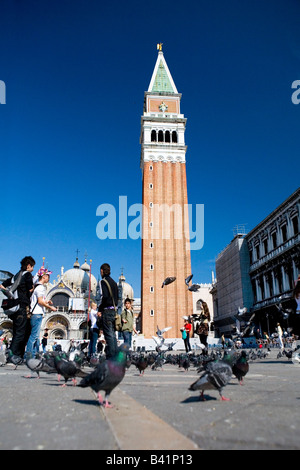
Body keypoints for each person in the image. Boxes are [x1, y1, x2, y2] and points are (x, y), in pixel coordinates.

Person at [0, 256, 36, 362]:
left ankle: (16, 356)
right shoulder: (27, 275)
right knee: (21, 332)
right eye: (32, 266)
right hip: (21, 307)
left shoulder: (16, 275)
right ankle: (13, 356)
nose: (33, 269)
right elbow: (30, 289)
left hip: (14, 307)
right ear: (28, 266)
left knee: (17, 331)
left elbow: (2, 285)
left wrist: (10, 293)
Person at [26, 268, 56, 355]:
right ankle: (28, 355)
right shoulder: (41, 287)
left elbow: (37, 301)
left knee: (35, 336)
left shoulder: (36, 286)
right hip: (37, 314)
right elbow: (39, 301)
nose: (49, 278)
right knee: (34, 336)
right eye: (48, 276)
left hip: (35, 313)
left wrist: (46, 301)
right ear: (44, 276)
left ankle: (34, 354)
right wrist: (51, 307)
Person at [97, 263, 118, 359]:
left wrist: (100, 309)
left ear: (102, 271)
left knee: (109, 336)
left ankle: (113, 359)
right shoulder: (114, 282)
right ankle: (116, 356)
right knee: (112, 335)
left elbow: (104, 296)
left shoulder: (103, 281)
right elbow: (117, 298)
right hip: (114, 310)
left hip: (107, 311)